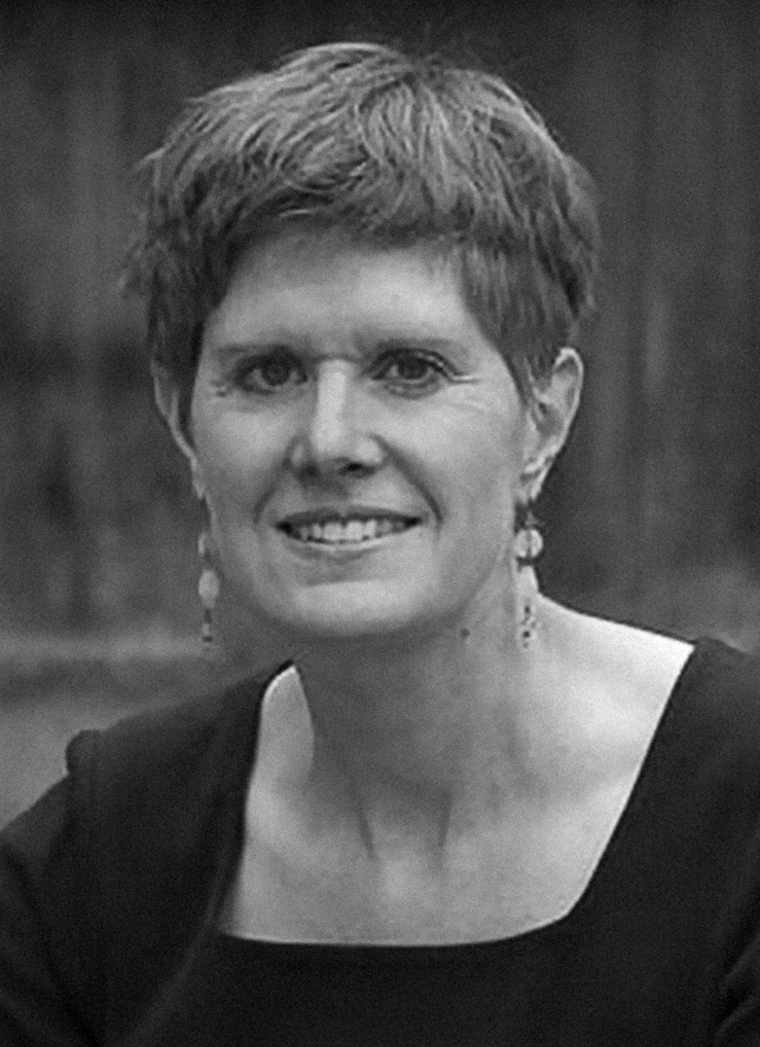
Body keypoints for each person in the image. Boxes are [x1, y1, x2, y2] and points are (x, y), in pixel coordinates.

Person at [1, 40, 759, 1047]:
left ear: (543, 417)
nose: (330, 441)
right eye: (269, 372)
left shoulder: (739, 815)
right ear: (183, 422)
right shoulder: (100, 863)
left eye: (408, 368)